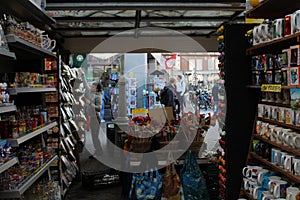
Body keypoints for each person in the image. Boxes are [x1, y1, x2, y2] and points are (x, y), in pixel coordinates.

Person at [80, 69, 103, 158]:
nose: (91, 87)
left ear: (96, 89)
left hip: (96, 119)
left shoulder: (98, 96)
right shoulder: (90, 92)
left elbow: (99, 108)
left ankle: (99, 151)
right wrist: (82, 74)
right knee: (94, 136)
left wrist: (90, 103)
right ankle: (98, 151)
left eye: (93, 87)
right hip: (91, 118)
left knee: (95, 136)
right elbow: (85, 85)